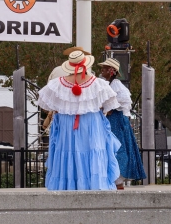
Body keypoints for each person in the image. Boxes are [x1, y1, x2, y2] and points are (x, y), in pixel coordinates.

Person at [37, 50, 121, 190]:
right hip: (91, 125)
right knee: (92, 153)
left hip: (66, 126)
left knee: (67, 153)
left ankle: (67, 188)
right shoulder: (98, 84)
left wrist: (67, 108)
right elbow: (108, 108)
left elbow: (48, 106)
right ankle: (93, 187)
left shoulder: (56, 85)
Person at [99, 57, 147, 189]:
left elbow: (124, 100)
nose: (101, 70)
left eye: (104, 68)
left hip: (117, 120)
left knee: (118, 148)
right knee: (111, 147)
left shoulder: (117, 85)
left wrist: (109, 108)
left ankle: (118, 179)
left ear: (111, 71)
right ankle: (114, 179)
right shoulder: (107, 84)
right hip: (112, 119)